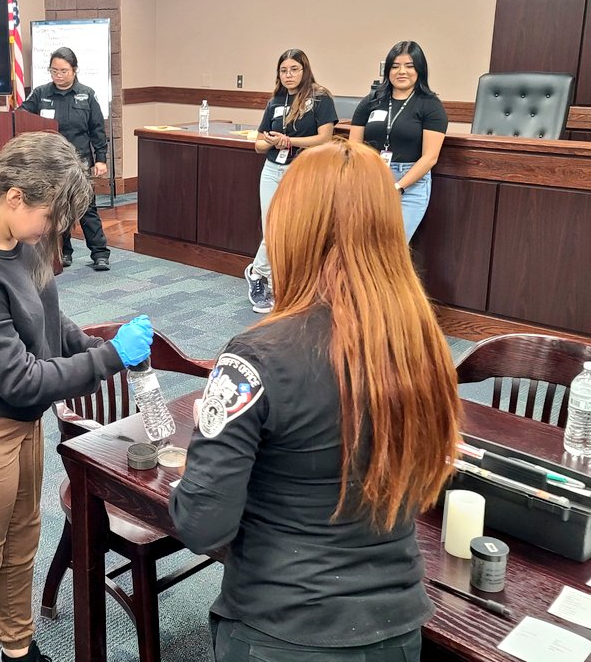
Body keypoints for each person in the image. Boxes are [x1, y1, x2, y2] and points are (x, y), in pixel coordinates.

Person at [170, 138, 461, 662]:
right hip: (394, 632)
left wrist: (208, 433)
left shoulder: (251, 359)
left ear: (293, 228)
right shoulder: (423, 344)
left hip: (280, 633)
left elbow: (201, 524)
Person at [0, 132, 153, 662]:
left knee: (20, 544)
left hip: (19, 424)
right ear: (16, 197)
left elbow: (47, 319)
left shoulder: (19, 242)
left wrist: (92, 345)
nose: (56, 230)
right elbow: (22, 379)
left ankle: (18, 650)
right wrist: (109, 357)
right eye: (52, 216)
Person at [244, 48, 338, 313]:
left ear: (305, 70)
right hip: (273, 169)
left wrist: (290, 141)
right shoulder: (275, 101)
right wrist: (270, 142)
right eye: (283, 70)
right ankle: (271, 284)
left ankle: (257, 273)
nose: (288, 75)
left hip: (304, 172)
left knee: (293, 230)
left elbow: (325, 138)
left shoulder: (320, 98)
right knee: (272, 228)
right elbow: (259, 145)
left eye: (294, 69)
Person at [18, 46, 111, 270]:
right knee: (55, 208)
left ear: (74, 70)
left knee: (86, 208)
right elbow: (21, 115)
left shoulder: (86, 95)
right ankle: (63, 252)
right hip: (49, 161)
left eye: (63, 71)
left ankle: (100, 253)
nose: (58, 76)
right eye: (54, 71)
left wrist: (101, 159)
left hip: (79, 161)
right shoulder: (41, 93)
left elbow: (97, 130)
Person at [349, 41, 448, 242]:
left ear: (420, 69)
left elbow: (430, 157)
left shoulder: (430, 105)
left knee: (391, 249)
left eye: (409, 66)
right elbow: (354, 146)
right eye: (395, 66)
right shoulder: (372, 100)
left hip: (410, 183)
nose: (401, 71)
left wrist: (398, 187)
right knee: (364, 246)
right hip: (372, 178)